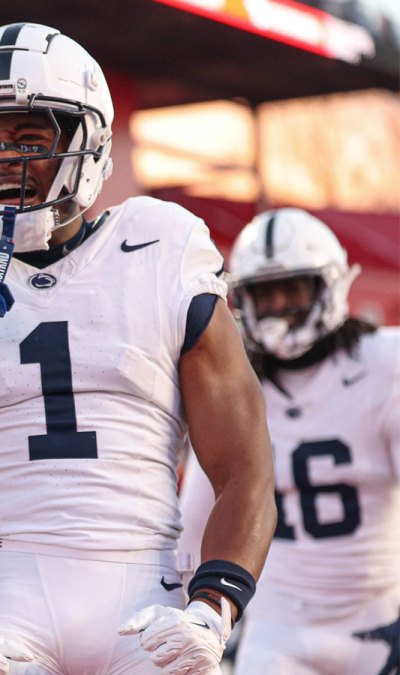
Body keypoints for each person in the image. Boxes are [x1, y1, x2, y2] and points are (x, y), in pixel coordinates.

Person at [0, 23, 276, 675]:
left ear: (88, 141)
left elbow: (246, 466)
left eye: (29, 138)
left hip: (146, 591)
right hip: (0, 594)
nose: (2, 159)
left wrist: (212, 609)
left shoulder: (160, 244)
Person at [177, 208, 400, 674]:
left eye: (292, 288)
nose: (278, 304)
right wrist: (192, 613)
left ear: (328, 285)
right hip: (279, 627)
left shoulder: (385, 363)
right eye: (264, 291)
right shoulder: (236, 382)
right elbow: (194, 521)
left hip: (379, 614)